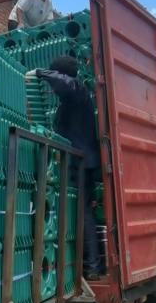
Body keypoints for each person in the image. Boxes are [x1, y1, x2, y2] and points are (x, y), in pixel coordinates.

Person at [26, 56, 101, 280]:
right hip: (78, 161)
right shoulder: (72, 100)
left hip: (80, 162)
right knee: (79, 211)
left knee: (82, 212)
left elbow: (64, 82)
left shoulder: (77, 90)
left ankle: (92, 268)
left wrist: (38, 72)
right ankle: (84, 265)